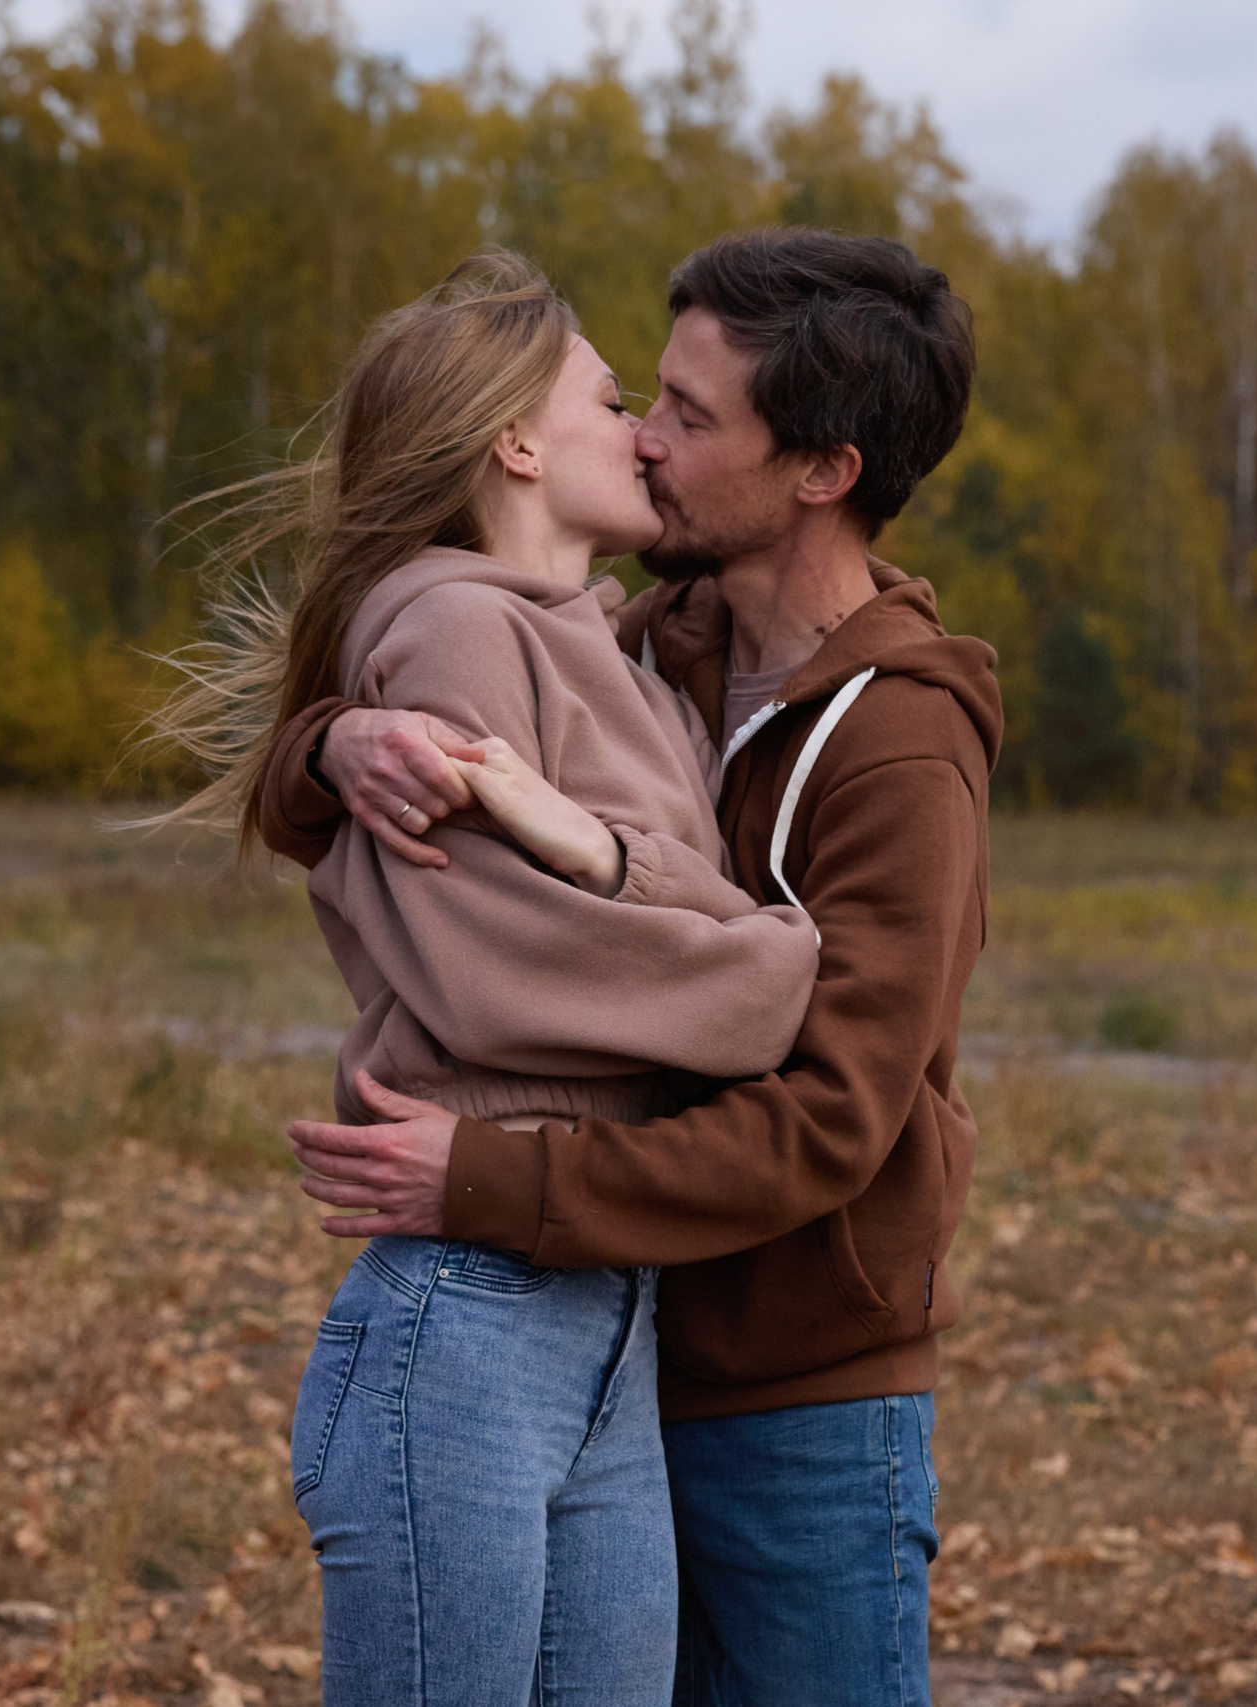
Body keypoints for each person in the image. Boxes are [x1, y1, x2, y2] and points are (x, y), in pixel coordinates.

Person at [271, 228, 1000, 1707]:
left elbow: (834, 1115)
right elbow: (404, 768)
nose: (650, 443)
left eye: (688, 416)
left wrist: (499, 1182)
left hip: (802, 1401)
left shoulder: (900, 745)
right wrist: (338, 746)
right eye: (638, 399)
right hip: (613, 1348)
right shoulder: (645, 645)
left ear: (820, 470)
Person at [147, 252, 822, 1705]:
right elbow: (507, 972)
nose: (645, 431)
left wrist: (603, 858)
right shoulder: (454, 627)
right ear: (516, 442)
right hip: (468, 1326)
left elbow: (647, 922)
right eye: (612, 398)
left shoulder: (622, 663)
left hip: (608, 1314)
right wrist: (762, 965)